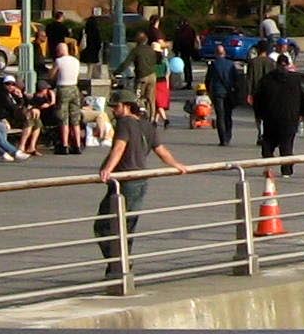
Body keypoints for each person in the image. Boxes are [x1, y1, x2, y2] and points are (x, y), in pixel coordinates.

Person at [95, 91, 186, 281]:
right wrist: (177, 165)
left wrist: (107, 169)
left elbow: (119, 147)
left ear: (127, 106)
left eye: (116, 106)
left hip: (125, 181)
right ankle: (120, 265)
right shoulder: (147, 125)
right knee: (127, 226)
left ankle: (119, 265)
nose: (114, 110)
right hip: (140, 180)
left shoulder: (124, 123)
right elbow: (161, 150)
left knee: (104, 226)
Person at [250, 46, 304, 222]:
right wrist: (302, 113)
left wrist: (259, 114)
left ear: (276, 65)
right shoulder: (296, 79)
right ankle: (287, 169)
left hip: (270, 117)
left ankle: (268, 168)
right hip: (290, 118)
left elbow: (258, 99)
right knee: (286, 144)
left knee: (268, 143)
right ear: (287, 64)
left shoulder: (266, 80)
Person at [206, 41, 241, 149]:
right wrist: (236, 92)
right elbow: (237, 80)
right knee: (228, 115)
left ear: (216, 54)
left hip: (217, 92)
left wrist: (209, 92)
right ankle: (228, 136)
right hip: (229, 92)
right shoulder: (231, 64)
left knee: (220, 116)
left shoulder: (213, 65)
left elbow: (208, 80)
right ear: (224, 53)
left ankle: (222, 139)